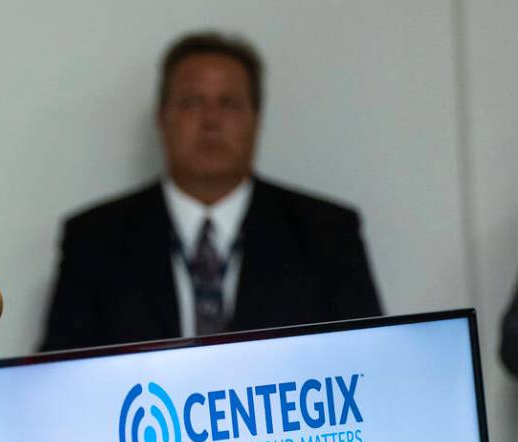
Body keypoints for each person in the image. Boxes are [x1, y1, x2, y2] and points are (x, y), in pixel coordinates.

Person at [39, 31, 381, 352]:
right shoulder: (95, 239)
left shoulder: (328, 234)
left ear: (256, 119)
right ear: (162, 118)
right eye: (191, 102)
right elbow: (57, 378)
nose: (211, 120)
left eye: (229, 103)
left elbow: (370, 363)